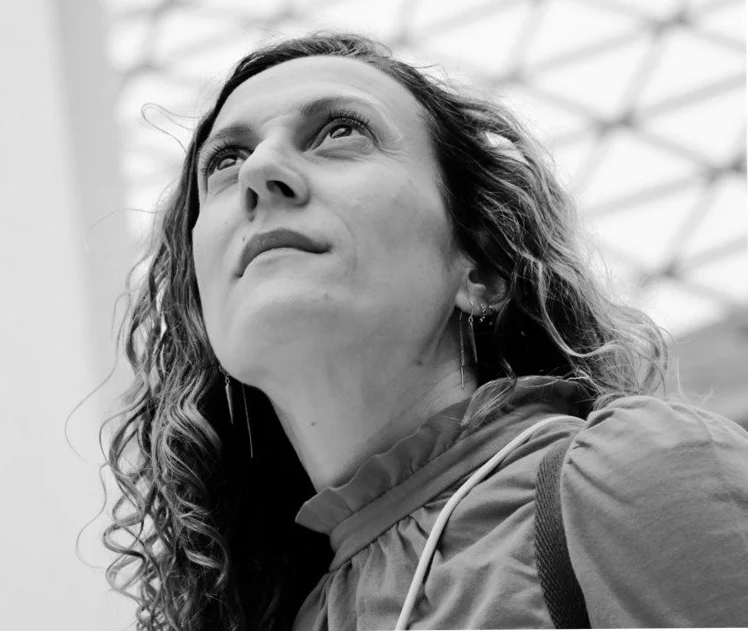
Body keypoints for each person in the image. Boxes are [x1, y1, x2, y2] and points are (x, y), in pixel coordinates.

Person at [103, 32, 748, 631]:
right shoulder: (298, 613)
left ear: (483, 265)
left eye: (340, 131)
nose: (258, 170)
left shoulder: (634, 478)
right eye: (225, 160)